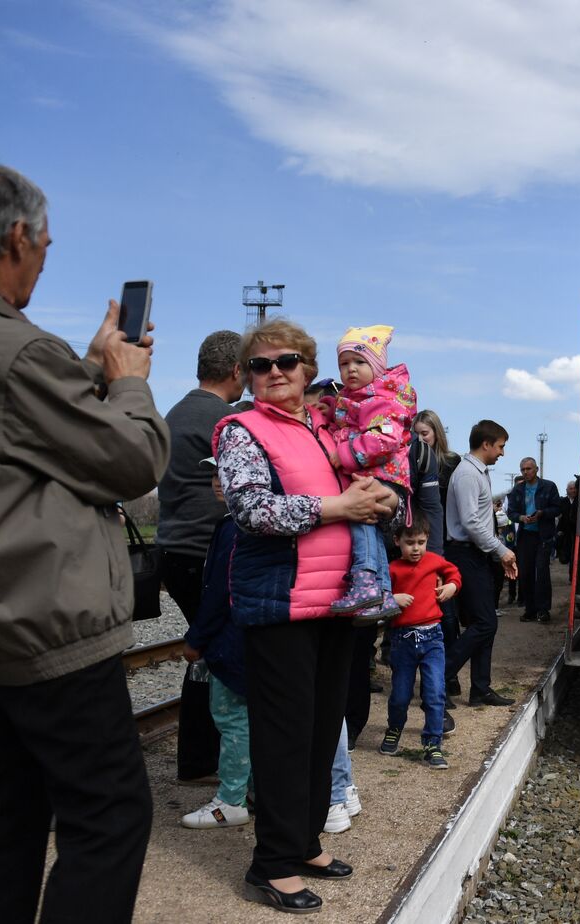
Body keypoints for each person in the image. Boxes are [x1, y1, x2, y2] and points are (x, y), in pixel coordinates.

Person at [0, 164, 169, 922]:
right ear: (17, 237)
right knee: (110, 817)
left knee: (4, 817)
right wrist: (129, 379)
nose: (43, 261)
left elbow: (15, 440)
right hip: (52, 627)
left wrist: (79, 369)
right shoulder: (13, 349)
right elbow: (131, 458)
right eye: (44, 247)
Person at [214, 318, 398, 912]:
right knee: (285, 736)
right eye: (260, 365)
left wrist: (383, 501)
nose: (273, 373)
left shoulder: (324, 426)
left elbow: (367, 486)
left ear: (307, 370)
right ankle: (271, 864)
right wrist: (337, 505)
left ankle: (305, 839)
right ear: (247, 376)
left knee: (323, 728)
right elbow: (250, 508)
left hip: (335, 603)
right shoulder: (240, 429)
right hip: (282, 604)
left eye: (286, 362)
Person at [158, 329, 244, 784]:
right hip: (205, 550)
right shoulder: (224, 419)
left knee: (206, 653)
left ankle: (197, 759)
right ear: (236, 371)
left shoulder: (175, 412)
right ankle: (202, 759)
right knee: (219, 654)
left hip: (174, 546)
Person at [323, 325, 417, 620]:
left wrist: (345, 454)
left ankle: (364, 578)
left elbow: (384, 438)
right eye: (344, 363)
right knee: (371, 526)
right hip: (379, 473)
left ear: (377, 365)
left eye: (360, 362)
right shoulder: (362, 395)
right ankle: (384, 592)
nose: (351, 369)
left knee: (361, 519)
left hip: (382, 474)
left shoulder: (383, 397)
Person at [178, 458, 249, 829]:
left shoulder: (232, 527)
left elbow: (218, 590)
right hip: (247, 635)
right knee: (247, 716)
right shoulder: (244, 522)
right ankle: (250, 788)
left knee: (231, 716)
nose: (217, 482)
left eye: (226, 474)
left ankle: (231, 799)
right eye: (213, 474)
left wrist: (197, 638)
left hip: (230, 640)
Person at [444, 420, 519, 707]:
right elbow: (471, 521)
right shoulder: (466, 475)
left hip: (475, 554)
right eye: (500, 446)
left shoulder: (478, 473)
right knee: (486, 623)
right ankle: (439, 678)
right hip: (464, 553)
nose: (502, 452)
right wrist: (501, 550)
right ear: (486, 444)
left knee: (483, 622)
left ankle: (480, 688)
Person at [382, 513, 461, 768]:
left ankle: (432, 743)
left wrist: (451, 587)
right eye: (410, 542)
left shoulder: (434, 561)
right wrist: (392, 599)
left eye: (421, 542)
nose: (416, 548)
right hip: (402, 640)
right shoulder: (391, 569)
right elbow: (377, 594)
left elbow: (454, 573)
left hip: (432, 637)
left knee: (436, 692)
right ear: (397, 541)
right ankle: (394, 728)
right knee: (400, 695)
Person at [413, 409, 461, 680]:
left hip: (446, 542)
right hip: (419, 542)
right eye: (416, 433)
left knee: (448, 611)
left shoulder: (451, 463)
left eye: (425, 433)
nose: (421, 439)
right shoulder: (411, 461)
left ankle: (448, 673)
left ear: (436, 434)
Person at [506, 457, 562, 624]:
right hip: (525, 537)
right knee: (526, 573)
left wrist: (542, 513)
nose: (526, 472)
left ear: (536, 469)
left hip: (543, 535)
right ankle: (530, 609)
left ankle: (543, 610)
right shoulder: (518, 489)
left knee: (542, 572)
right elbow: (511, 512)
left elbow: (557, 508)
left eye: (529, 468)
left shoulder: (549, 486)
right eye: (523, 469)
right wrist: (521, 517)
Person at [558, 479, 579, 570]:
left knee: (575, 554)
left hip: (576, 531)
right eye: (571, 489)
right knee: (565, 556)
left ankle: (572, 575)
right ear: (567, 490)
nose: (573, 490)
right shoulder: (562, 502)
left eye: (574, 488)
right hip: (565, 532)